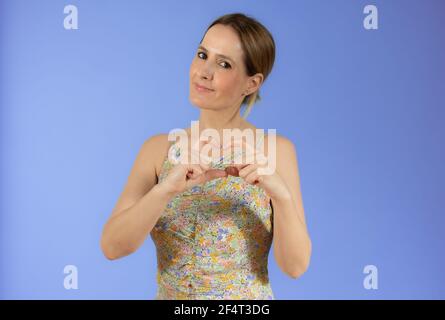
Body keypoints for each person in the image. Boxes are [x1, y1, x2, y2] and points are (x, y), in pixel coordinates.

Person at [100, 12, 311, 300]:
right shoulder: (158, 149)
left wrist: (282, 198)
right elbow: (112, 247)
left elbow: (295, 267)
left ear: (251, 84)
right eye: (202, 55)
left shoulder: (275, 151)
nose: (204, 71)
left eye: (224, 64)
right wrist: (164, 191)